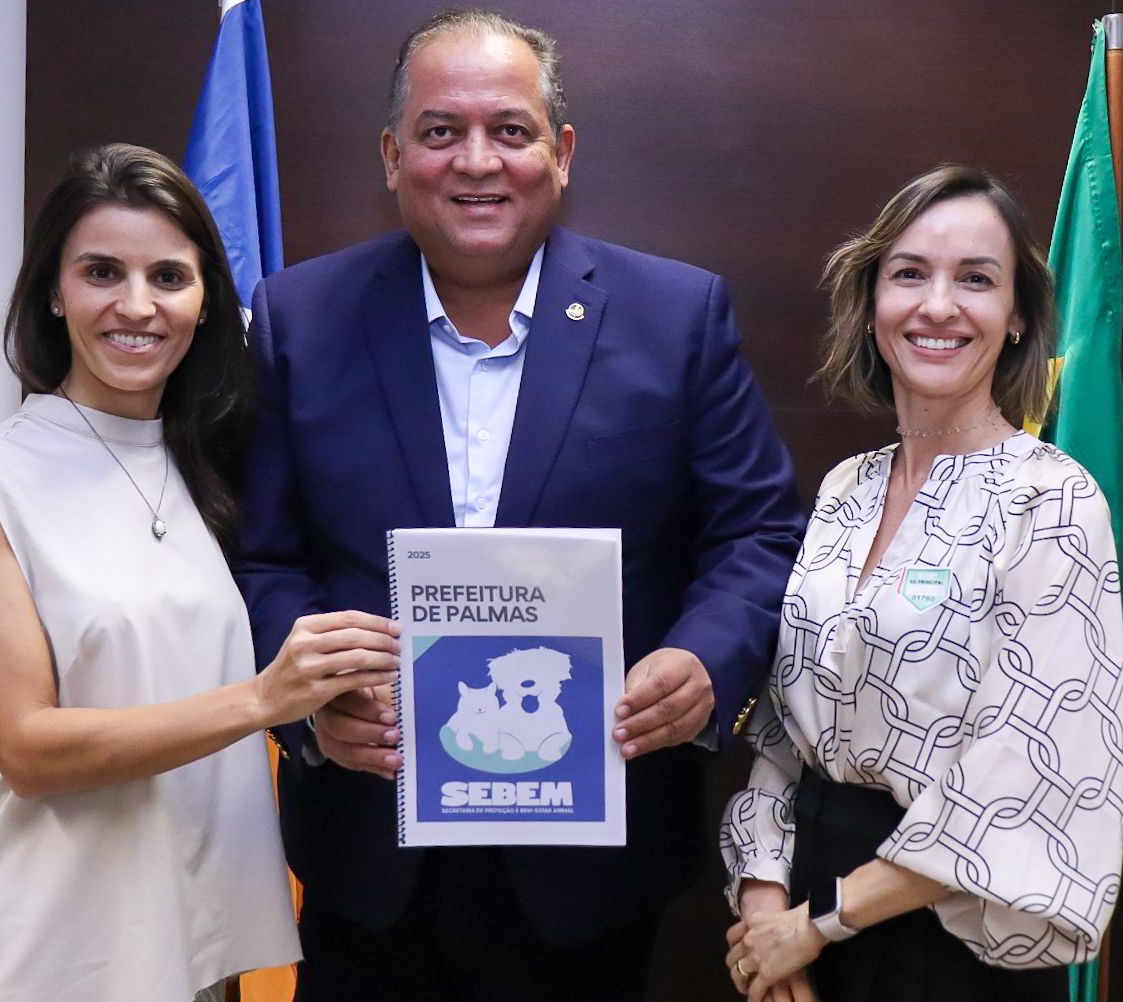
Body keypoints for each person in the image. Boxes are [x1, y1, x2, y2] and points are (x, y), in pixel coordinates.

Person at [234, 8, 804, 1000]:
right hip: (371, 854)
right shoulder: (299, 320)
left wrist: (705, 661)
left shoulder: (677, 318)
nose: (476, 162)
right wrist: (309, 706)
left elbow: (758, 532)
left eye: (510, 129)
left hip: (592, 877)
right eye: (440, 131)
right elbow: (264, 555)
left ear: (562, 150)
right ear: (391, 153)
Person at [0, 144, 400, 1002]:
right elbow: (26, 748)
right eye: (101, 272)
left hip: (191, 957)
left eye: (168, 277)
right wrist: (263, 699)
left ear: (208, 300)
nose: (136, 306)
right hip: (37, 960)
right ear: (53, 293)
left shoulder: (218, 477)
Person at [720, 165, 1123, 1002]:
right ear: (872, 305)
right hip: (805, 914)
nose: (937, 305)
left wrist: (815, 924)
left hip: (952, 935)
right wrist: (764, 904)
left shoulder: (1050, 499)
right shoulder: (844, 490)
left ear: (1016, 318)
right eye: (909, 273)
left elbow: (1014, 777)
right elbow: (778, 730)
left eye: (974, 279)